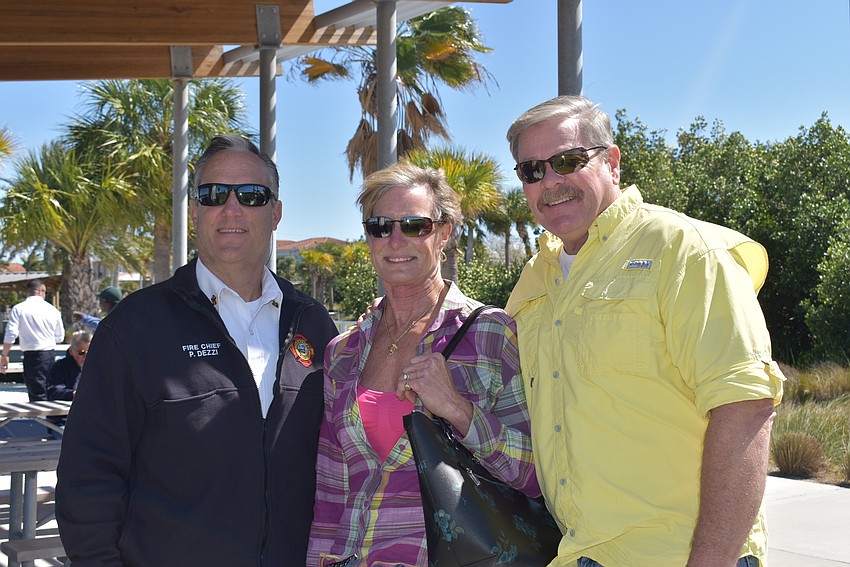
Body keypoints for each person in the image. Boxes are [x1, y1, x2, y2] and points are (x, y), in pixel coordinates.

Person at [503, 95, 786, 567]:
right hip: (578, 553)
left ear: (612, 163)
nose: (550, 182)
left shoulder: (687, 250)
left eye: (567, 161)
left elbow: (745, 407)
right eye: (532, 171)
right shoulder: (537, 279)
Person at [56, 134, 338, 566]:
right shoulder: (135, 326)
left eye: (251, 195)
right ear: (194, 211)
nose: (231, 208)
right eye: (212, 195)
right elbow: (88, 473)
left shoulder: (313, 323)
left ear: (276, 212)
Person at [307, 162, 539, 566]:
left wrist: (458, 411)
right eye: (380, 226)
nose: (396, 240)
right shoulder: (343, 351)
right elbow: (331, 487)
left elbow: (536, 473)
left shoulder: (490, 334)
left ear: (444, 232)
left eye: (415, 225)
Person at [0, 279, 65, 401]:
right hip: (50, 354)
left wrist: (4, 355)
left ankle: (41, 420)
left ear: (28, 292)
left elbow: (11, 334)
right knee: (52, 390)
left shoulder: (19, 309)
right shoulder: (53, 310)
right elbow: (60, 337)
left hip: (32, 356)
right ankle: (52, 419)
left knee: (37, 393)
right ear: (41, 292)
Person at [47, 329, 92, 401]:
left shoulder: (99, 367)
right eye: (81, 352)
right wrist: (73, 394)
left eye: (90, 353)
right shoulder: (60, 367)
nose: (86, 356)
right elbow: (54, 392)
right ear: (71, 351)